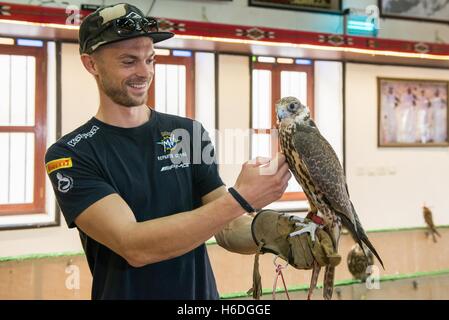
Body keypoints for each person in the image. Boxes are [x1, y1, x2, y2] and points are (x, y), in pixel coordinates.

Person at [45, 3, 292, 299]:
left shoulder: (187, 133)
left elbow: (226, 229)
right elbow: (134, 245)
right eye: (128, 61)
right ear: (91, 64)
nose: (144, 72)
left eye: (150, 59)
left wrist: (281, 235)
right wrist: (242, 198)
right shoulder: (72, 154)